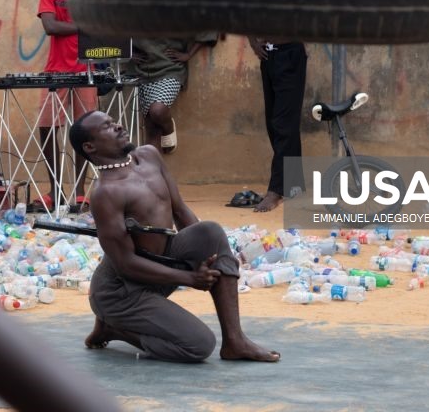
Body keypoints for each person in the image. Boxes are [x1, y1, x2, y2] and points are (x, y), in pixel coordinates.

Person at [68, 110, 280, 363]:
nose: (118, 127)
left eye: (115, 121)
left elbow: (180, 210)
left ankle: (235, 341)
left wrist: (210, 259)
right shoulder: (105, 194)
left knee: (209, 231)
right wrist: (190, 278)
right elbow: (125, 264)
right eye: (107, 127)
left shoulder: (149, 156)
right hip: (121, 292)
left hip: (160, 262)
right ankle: (116, 328)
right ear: (90, 146)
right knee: (198, 346)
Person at [35, 0, 97, 212]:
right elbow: (50, 26)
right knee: (47, 126)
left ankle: (80, 192)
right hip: (56, 70)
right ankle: (56, 189)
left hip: (87, 71)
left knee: (86, 130)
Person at [247, 38, 307, 213]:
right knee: (274, 124)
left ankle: (277, 191)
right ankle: (294, 185)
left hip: (290, 53)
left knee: (284, 124)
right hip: (268, 57)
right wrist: (253, 43)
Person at [130, 34, 217, 153]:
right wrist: (128, 53)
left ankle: (168, 128)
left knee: (158, 111)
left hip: (170, 68)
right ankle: (153, 169)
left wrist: (188, 55)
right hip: (143, 71)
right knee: (152, 130)